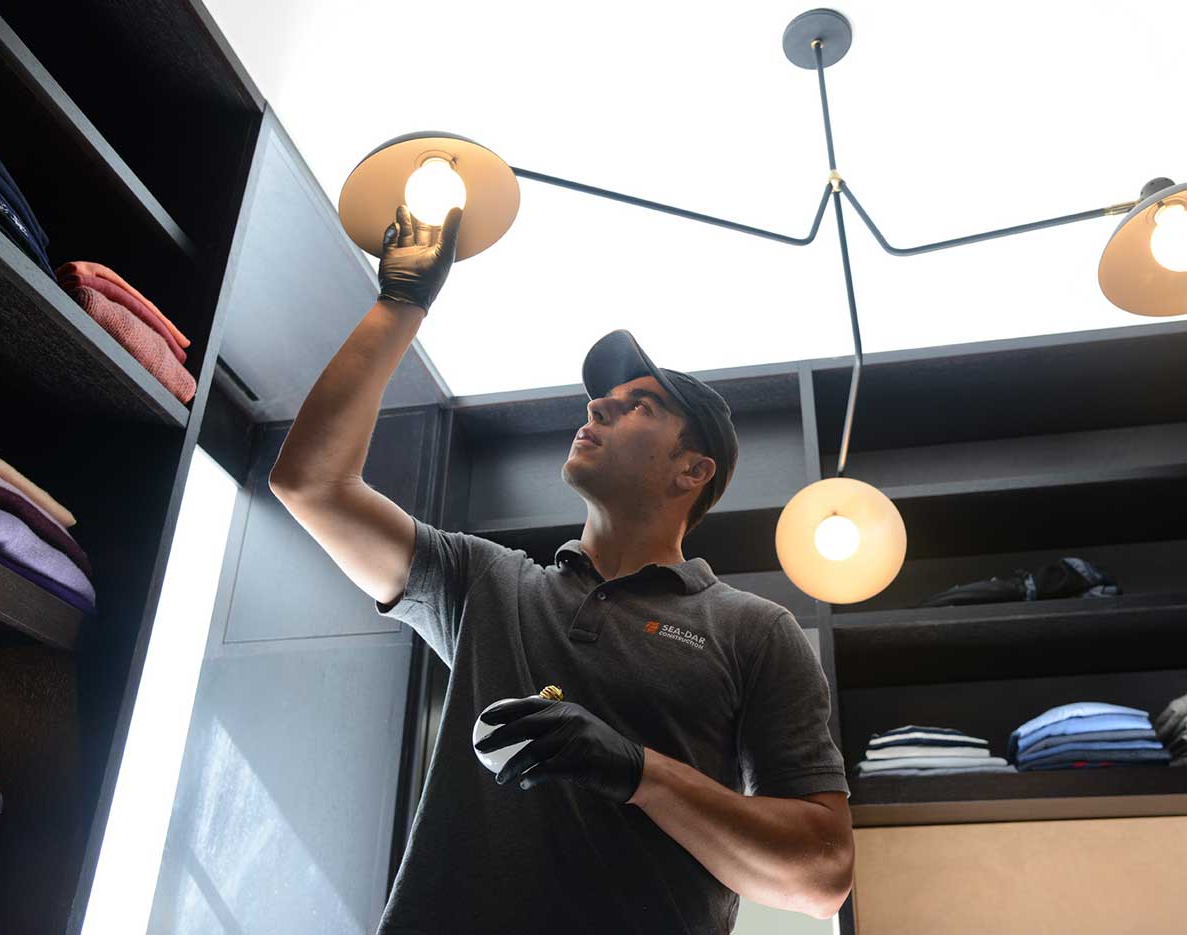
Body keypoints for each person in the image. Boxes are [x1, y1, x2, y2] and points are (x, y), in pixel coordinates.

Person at [269, 203, 853, 934]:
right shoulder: (486, 583)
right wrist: (399, 304)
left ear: (692, 469)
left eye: (638, 405)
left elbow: (822, 876)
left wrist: (634, 769)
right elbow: (310, 484)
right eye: (602, 398)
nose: (600, 405)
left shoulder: (752, 630)